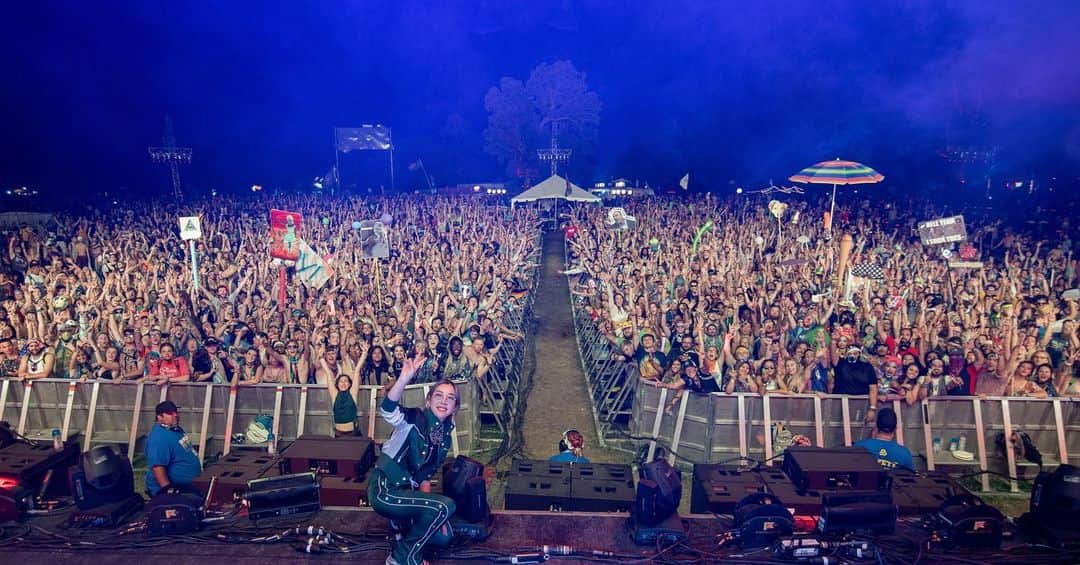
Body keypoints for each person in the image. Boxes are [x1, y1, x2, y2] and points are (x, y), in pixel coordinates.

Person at [368, 353, 460, 565]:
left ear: (455, 407)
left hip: (407, 492)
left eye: (450, 398)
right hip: (385, 490)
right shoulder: (413, 419)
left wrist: (434, 512)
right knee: (446, 507)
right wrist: (404, 378)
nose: (443, 401)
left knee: (443, 537)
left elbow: (424, 478)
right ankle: (402, 558)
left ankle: (400, 525)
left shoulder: (444, 437)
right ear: (429, 400)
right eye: (439, 396)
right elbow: (388, 410)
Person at [144, 400, 202, 497]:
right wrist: (168, 492)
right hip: (177, 489)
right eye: (170, 413)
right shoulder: (159, 438)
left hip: (189, 485)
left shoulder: (175, 429)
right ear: (159, 417)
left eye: (175, 411)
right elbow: (158, 467)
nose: (175, 415)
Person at [854, 406, 914, 471]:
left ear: (876, 426)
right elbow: (911, 477)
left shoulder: (859, 447)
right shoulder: (904, 453)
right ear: (895, 429)